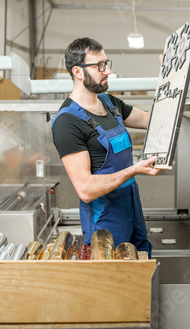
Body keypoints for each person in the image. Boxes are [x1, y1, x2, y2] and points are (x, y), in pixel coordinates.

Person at [52, 37, 159, 256]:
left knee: (140, 262)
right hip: (105, 218)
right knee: (112, 277)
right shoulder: (67, 122)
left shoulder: (111, 104)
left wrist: (169, 80)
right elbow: (86, 189)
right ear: (78, 72)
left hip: (130, 203)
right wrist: (135, 169)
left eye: (106, 63)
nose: (107, 70)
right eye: (99, 66)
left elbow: (150, 120)